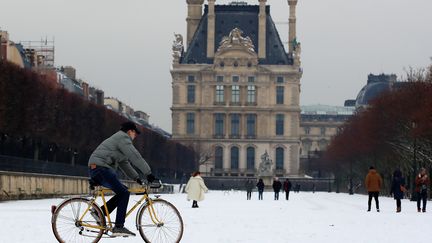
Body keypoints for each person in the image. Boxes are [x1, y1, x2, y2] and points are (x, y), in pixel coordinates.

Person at [88, 121, 156, 237]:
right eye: (135, 134)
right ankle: (119, 226)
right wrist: (148, 173)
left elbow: (125, 164)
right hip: (101, 168)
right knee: (124, 193)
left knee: (123, 190)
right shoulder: (123, 139)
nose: (135, 137)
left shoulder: (119, 141)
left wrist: (137, 178)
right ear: (130, 131)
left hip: (98, 168)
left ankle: (100, 212)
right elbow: (135, 157)